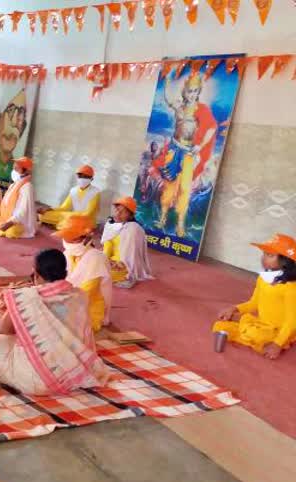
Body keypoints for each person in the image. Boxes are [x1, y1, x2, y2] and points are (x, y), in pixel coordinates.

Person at [0, 249, 110, 395]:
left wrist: (17, 309)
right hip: (73, 374)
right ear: (65, 273)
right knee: (26, 337)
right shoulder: (80, 296)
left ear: (36, 274)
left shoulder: (25, 297)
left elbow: (3, 331)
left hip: (33, 380)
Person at [214, 233, 296, 360]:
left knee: (256, 334)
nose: (263, 258)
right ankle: (253, 338)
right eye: (264, 254)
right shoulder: (263, 278)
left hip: (279, 330)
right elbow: (254, 303)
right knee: (220, 326)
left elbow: (292, 321)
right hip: (262, 324)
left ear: (285, 261)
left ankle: (263, 340)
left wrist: (277, 344)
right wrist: (234, 309)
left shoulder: (291, 287)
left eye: (270, 255)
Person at [154, 72, 217, 238]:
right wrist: (167, 81)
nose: (192, 94)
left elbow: (211, 128)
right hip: (174, 150)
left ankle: (180, 223)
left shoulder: (202, 109)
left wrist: (200, 146)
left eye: (196, 91)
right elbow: (167, 99)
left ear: (199, 92)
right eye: (190, 91)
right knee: (169, 186)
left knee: (185, 188)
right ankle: (162, 218)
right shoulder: (179, 106)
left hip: (189, 153)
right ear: (185, 91)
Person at [54, 214, 112, 332]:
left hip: (88, 311)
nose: (67, 242)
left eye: (72, 238)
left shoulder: (96, 258)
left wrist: (56, 301)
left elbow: (85, 293)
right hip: (68, 301)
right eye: (66, 238)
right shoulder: (68, 253)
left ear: (85, 238)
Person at [101, 196, 154, 288]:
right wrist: (106, 260)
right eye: (117, 210)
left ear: (131, 215)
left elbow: (132, 256)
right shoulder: (110, 225)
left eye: (122, 212)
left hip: (125, 265)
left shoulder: (134, 229)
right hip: (112, 262)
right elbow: (107, 249)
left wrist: (119, 264)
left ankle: (127, 278)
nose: (117, 214)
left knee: (102, 274)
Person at [0, 156, 37, 239]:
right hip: (6, 219)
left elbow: (23, 211)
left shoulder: (27, 187)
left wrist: (10, 223)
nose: (13, 171)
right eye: (13, 168)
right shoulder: (13, 184)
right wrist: (6, 221)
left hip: (19, 223)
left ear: (25, 171)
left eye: (16, 169)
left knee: (12, 231)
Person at [0, 88, 28, 183]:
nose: (14, 123)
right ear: (0, 121)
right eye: (10, 111)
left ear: (22, 131)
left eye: (20, 116)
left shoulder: (14, 168)